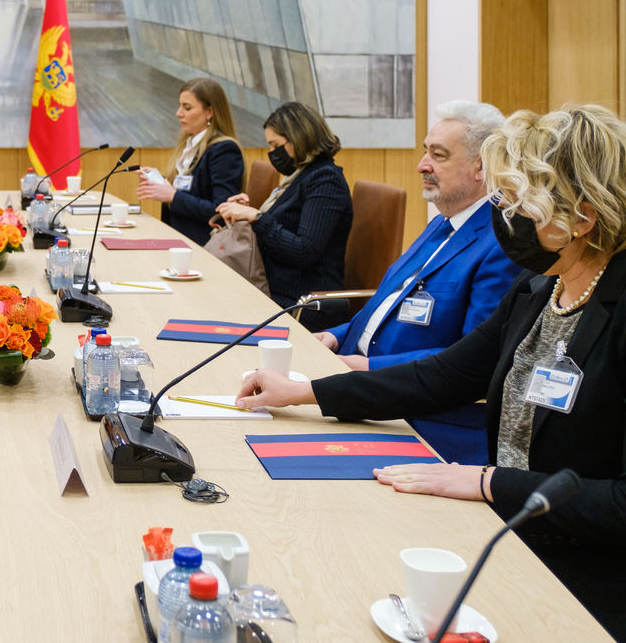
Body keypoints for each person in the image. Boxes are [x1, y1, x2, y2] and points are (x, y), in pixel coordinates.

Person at [235, 105, 626, 638]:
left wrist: (490, 482)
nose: (503, 219)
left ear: (582, 216)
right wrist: (306, 392)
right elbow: (444, 375)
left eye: (519, 205)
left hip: (581, 575)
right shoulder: (543, 285)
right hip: (507, 530)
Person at [315, 101, 521, 464]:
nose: (422, 165)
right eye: (426, 151)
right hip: (362, 385)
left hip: (420, 415)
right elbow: (387, 306)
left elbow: (470, 360)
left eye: (438, 155)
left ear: (482, 166)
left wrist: (362, 369)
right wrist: (334, 336)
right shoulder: (444, 222)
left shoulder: (500, 243)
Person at [215, 102, 353, 330]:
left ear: (299, 138)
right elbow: (285, 223)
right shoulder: (301, 177)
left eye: (275, 145)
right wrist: (250, 213)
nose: (272, 153)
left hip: (304, 302)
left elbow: (304, 250)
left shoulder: (326, 181)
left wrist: (258, 217)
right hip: (278, 290)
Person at [136, 77, 243, 246]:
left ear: (209, 112)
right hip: (177, 238)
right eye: (180, 106)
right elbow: (191, 191)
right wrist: (159, 182)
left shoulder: (224, 150)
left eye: (187, 108)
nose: (179, 113)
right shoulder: (190, 145)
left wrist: (172, 196)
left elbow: (221, 211)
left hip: (204, 245)